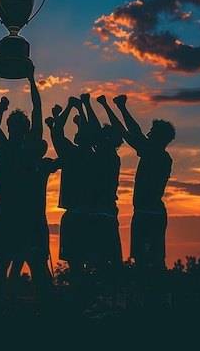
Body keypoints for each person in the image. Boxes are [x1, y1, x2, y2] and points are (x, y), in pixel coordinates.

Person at [46, 93, 125, 307]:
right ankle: (96, 302)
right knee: (95, 263)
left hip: (81, 217)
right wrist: (82, 109)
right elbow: (93, 131)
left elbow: (57, 132)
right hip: (88, 216)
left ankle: (88, 301)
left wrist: (74, 108)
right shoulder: (94, 155)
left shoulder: (77, 154)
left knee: (81, 265)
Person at [0, 66, 59, 301]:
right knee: (2, 268)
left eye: (19, 126)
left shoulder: (26, 148)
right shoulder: (3, 146)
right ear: (9, 128)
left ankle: (43, 309)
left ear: (25, 129)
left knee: (36, 269)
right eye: (14, 126)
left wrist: (31, 80)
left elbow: (38, 110)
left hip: (26, 218)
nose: (16, 129)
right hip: (9, 216)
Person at [112, 94, 175, 289]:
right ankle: (150, 297)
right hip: (145, 213)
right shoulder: (153, 152)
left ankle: (156, 297)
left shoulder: (157, 155)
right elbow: (128, 133)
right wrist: (114, 109)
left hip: (150, 214)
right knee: (146, 259)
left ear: (161, 137)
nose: (149, 134)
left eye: (153, 132)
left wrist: (121, 108)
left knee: (152, 260)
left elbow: (134, 133)